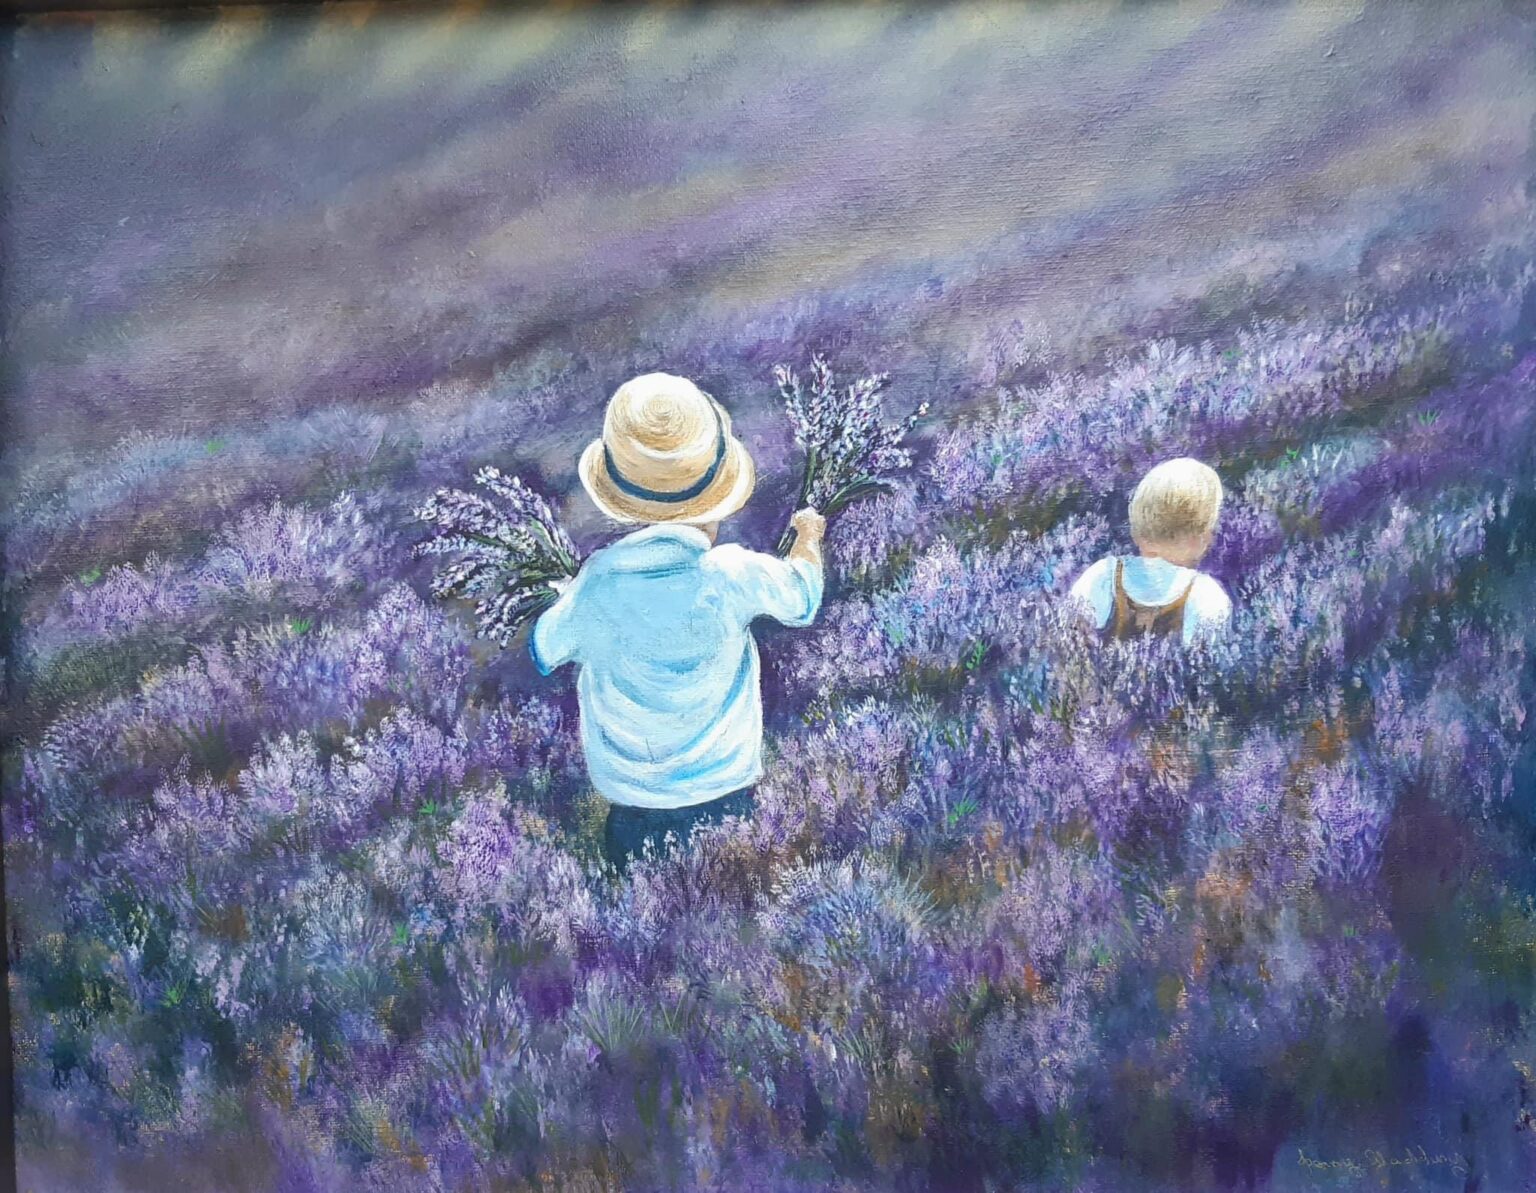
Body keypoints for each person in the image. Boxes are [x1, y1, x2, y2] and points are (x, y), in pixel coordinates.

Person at [529, 372, 826, 872]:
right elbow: (803, 599)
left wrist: (570, 599)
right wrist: (808, 539)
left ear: (624, 502)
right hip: (727, 799)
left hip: (631, 807)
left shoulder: (599, 581)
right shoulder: (734, 573)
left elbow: (543, 649)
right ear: (721, 490)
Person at [1068, 457, 1232, 644]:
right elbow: (1208, 665)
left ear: (1137, 531)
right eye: (1209, 527)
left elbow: (1069, 644)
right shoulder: (1206, 596)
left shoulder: (1103, 575)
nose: (1211, 537)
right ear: (1198, 537)